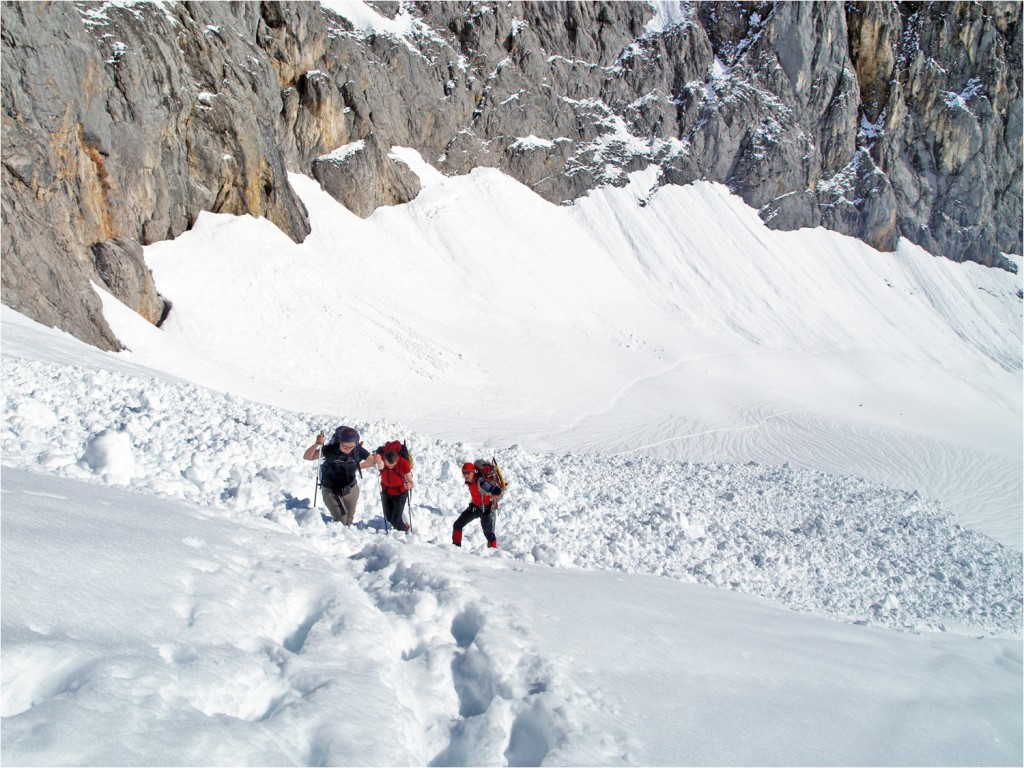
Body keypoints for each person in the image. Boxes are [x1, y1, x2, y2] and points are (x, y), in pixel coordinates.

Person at [303, 426, 376, 525]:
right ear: (339, 442)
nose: (348, 450)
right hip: (331, 489)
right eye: (345, 446)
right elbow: (308, 457)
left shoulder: (358, 450)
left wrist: (377, 462)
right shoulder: (331, 449)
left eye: (351, 447)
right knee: (341, 520)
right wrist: (316, 444)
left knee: (349, 521)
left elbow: (375, 463)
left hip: (350, 488)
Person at [452, 460, 504, 549]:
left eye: (468, 472)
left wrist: (494, 497)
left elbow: (499, 491)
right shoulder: (470, 481)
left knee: (489, 534)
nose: (466, 475)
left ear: (473, 472)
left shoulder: (482, 482)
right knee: (457, 525)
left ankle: (493, 556)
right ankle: (455, 549)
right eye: (464, 473)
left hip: (486, 511)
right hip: (475, 508)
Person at [373, 444, 414, 532]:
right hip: (386, 492)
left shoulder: (403, 463)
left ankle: (403, 533)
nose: (390, 467)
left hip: (400, 493)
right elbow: (376, 464)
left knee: (396, 519)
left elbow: (410, 481)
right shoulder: (381, 460)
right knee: (388, 517)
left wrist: (409, 485)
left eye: (393, 465)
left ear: (397, 460)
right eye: (388, 465)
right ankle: (400, 527)